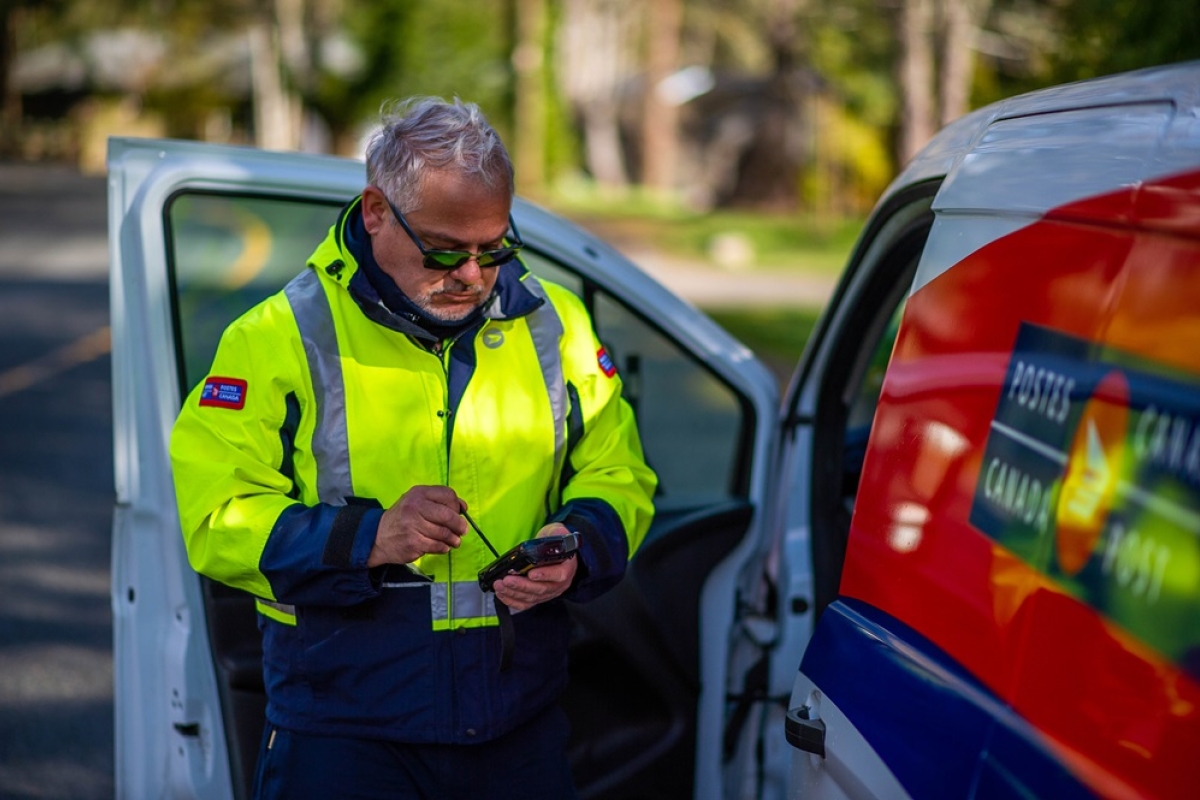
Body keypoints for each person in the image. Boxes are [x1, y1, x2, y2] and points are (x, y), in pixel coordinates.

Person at [169, 97, 657, 799]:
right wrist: (372, 537)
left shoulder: (557, 325)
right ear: (375, 212)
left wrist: (576, 545)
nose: (469, 274)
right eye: (442, 249)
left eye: (494, 249)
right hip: (345, 732)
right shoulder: (274, 338)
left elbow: (621, 473)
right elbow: (217, 519)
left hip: (518, 722)